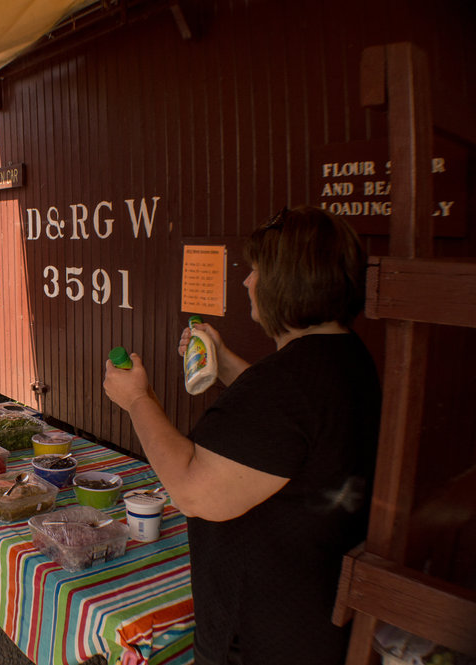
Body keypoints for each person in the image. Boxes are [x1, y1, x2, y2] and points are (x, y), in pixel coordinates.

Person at [104, 206, 381, 665]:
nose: (249, 282)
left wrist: (137, 400)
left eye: (257, 271)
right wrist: (227, 364)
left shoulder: (285, 383)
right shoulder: (347, 358)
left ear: (291, 281)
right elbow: (288, 433)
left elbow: (193, 491)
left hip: (258, 638)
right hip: (316, 620)